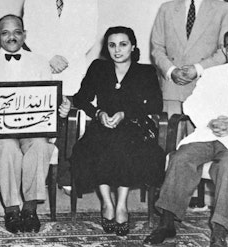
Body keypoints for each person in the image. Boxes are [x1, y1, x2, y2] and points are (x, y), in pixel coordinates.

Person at [144, 28, 228, 247]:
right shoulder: (213, 73)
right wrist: (211, 120)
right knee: (181, 158)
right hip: (208, 133)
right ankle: (167, 224)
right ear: (224, 50)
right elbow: (194, 103)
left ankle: (219, 231)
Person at [0, 15, 71, 234]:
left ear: (24, 35)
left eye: (17, 32)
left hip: (31, 127)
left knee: (40, 145)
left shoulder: (39, 62)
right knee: (7, 147)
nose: (11, 37)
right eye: (5, 32)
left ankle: (30, 209)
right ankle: (12, 209)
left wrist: (62, 106)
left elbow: (49, 96)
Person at [71, 26, 165, 236]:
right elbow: (80, 98)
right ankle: (107, 203)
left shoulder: (146, 71)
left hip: (135, 125)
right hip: (102, 125)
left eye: (123, 44)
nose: (117, 50)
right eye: (112, 45)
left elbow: (155, 105)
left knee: (122, 146)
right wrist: (98, 114)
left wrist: (125, 114)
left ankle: (122, 204)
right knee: (92, 147)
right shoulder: (98, 68)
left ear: (133, 46)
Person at [22, 0, 99, 187]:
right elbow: (29, 35)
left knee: (69, 124)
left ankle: (66, 177)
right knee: (43, 121)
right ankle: (40, 176)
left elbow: (89, 34)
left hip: (73, 68)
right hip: (44, 68)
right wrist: (49, 58)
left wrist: (65, 57)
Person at [150, 0, 228, 116]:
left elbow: (225, 50)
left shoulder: (222, 9)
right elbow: (157, 48)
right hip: (172, 88)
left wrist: (198, 69)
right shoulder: (166, 9)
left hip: (205, 85)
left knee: (199, 138)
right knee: (170, 137)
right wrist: (171, 71)